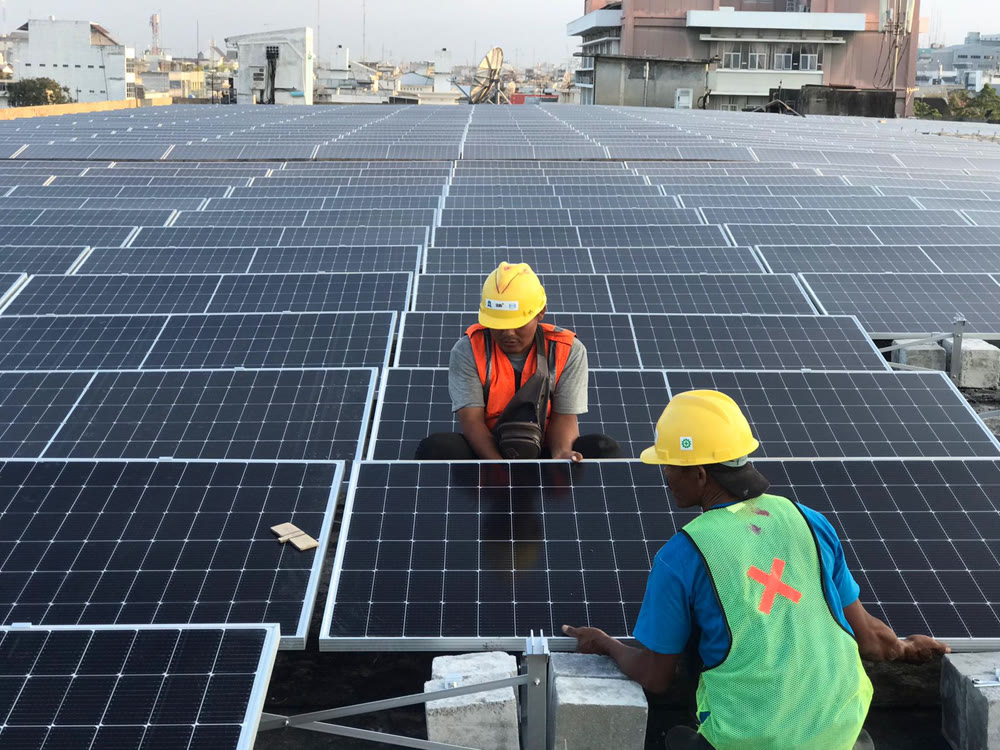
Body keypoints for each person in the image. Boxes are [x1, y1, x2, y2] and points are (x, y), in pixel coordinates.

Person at [562, 390, 950, 750]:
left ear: (700, 474)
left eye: (670, 466)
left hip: (747, 739)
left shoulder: (682, 554)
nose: (665, 475)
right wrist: (905, 648)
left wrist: (605, 643)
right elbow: (870, 640)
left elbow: (655, 675)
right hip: (840, 733)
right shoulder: (811, 521)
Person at [414, 262, 622, 461]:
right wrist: (499, 467)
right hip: (487, 447)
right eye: (499, 324)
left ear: (541, 312)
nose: (508, 333)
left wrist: (561, 455)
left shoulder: (568, 350)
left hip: (546, 446)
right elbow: (471, 420)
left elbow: (565, 417)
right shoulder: (468, 349)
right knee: (436, 448)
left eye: (518, 324)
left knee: (603, 448)